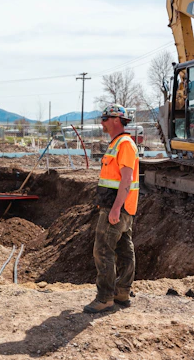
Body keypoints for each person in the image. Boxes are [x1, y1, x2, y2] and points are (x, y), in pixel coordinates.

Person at [83, 103, 139, 314]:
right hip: (122, 206)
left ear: (116, 120)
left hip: (116, 207)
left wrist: (115, 209)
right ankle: (122, 293)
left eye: (105, 119)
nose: (102, 122)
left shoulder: (124, 144)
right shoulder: (118, 143)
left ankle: (105, 298)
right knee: (125, 249)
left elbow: (126, 179)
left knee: (102, 251)